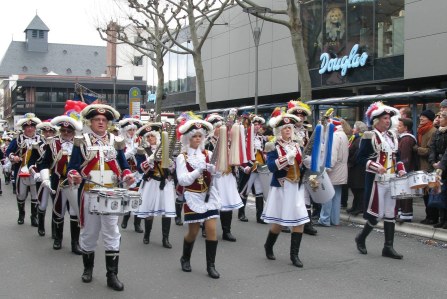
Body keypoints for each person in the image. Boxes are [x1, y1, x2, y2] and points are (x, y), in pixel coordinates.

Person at [67, 104, 135, 291]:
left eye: (104, 120)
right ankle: (87, 269)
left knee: (112, 232)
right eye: (97, 120)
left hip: (111, 194)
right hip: (89, 192)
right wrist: (74, 174)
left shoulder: (116, 140)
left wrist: (127, 175)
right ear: (90, 122)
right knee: (89, 233)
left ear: (108, 123)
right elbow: (72, 166)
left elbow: (123, 164)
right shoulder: (81, 141)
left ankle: (112, 275)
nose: (101, 122)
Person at [355, 102, 405, 259]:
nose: (388, 121)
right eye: (384, 118)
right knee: (376, 215)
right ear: (376, 120)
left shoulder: (391, 136)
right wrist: (377, 167)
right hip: (377, 180)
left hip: (392, 180)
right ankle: (361, 238)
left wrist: (401, 168)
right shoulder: (369, 135)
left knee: (390, 214)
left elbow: (396, 157)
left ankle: (388, 247)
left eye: (389, 118)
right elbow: (360, 158)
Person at [261, 108, 309, 267]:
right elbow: (270, 167)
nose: (288, 130)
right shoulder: (272, 146)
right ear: (279, 131)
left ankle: (294, 255)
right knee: (279, 223)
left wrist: (308, 166)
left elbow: (301, 166)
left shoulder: (298, 145)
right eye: (285, 128)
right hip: (282, 187)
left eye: (290, 128)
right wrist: (285, 159)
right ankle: (268, 245)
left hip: (296, 188)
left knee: (299, 220)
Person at [176, 114, 222, 279]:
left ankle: (211, 266)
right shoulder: (183, 157)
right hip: (193, 197)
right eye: (194, 136)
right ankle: (185, 257)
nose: (197, 138)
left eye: (199, 136)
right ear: (188, 138)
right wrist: (197, 171)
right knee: (193, 232)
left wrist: (214, 171)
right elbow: (182, 180)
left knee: (211, 229)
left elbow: (217, 177)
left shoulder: (208, 154)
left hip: (209, 196)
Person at [37, 113, 83, 254]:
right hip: (59, 181)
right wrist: (45, 178)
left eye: (69, 131)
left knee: (75, 213)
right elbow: (44, 163)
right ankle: (58, 238)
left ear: (74, 132)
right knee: (59, 211)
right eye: (63, 131)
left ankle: (75, 243)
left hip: (75, 182)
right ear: (59, 131)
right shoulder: (52, 143)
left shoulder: (80, 143)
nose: (66, 133)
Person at [135, 122, 175, 248]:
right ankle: (147, 235)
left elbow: (173, 167)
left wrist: (170, 164)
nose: (150, 138)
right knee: (149, 210)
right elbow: (140, 168)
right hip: (151, 182)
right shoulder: (142, 151)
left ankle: (166, 239)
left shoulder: (165, 148)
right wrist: (150, 161)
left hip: (165, 182)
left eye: (152, 136)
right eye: (148, 137)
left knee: (166, 210)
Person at [205, 113, 243, 242]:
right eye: (218, 127)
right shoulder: (208, 143)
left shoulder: (230, 142)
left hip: (227, 176)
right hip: (214, 177)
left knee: (227, 203)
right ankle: (207, 228)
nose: (220, 129)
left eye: (222, 127)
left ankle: (227, 231)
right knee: (212, 203)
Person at [287, 100, 318, 235]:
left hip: (305, 166)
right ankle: (285, 221)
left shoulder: (305, 131)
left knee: (306, 194)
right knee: (290, 195)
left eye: (302, 116)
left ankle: (307, 223)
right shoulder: (288, 130)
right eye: (297, 116)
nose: (300, 118)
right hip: (292, 167)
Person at [6, 113, 42, 226]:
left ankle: (34, 217)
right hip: (21, 171)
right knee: (21, 194)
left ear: (35, 128)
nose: (30, 128)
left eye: (32, 126)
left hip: (35, 172)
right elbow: (9, 152)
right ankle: (21, 215)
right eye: (27, 127)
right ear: (24, 128)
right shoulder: (18, 139)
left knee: (35, 195)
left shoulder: (41, 139)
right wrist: (14, 157)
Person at [317, 117, 348, 227]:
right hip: (342, 169)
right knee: (336, 196)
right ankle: (335, 219)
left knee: (327, 195)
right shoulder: (343, 135)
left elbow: (332, 155)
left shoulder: (334, 136)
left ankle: (325, 219)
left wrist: (327, 168)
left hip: (334, 170)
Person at [238, 114, 268, 224]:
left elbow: (262, 151)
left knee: (259, 191)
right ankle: (241, 213)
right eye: (255, 124)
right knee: (244, 190)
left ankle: (259, 216)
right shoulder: (245, 137)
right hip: (249, 166)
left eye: (258, 125)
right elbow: (241, 153)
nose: (257, 126)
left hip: (259, 167)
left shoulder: (261, 138)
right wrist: (243, 166)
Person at [119, 116, 144, 233]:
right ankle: (126, 218)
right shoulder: (120, 142)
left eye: (134, 130)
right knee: (128, 197)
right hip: (127, 173)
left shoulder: (139, 141)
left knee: (139, 197)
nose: (132, 132)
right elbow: (122, 157)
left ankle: (137, 223)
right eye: (130, 130)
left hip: (139, 173)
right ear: (125, 131)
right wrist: (133, 150)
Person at [414, 110, 437, 225]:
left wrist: (417, 149)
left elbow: (430, 150)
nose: (421, 118)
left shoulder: (433, 131)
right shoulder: (420, 130)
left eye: (424, 117)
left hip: (428, 167)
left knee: (430, 194)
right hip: (421, 166)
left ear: (429, 119)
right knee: (425, 194)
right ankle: (428, 216)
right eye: (421, 116)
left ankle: (432, 217)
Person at [396, 118, 417, 222]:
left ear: (405, 128)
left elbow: (405, 158)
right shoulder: (404, 138)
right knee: (403, 193)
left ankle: (406, 214)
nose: (397, 127)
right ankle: (403, 213)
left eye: (399, 125)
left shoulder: (406, 139)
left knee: (405, 193)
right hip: (406, 170)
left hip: (406, 171)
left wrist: (402, 171)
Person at [429, 111, 447, 229]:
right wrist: (433, 162)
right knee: (438, 191)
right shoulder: (437, 132)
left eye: (441, 117)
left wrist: (441, 165)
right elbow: (432, 148)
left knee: (445, 193)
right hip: (438, 165)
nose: (438, 119)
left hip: (444, 165)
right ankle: (442, 219)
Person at [347, 121, 368, 216]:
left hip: (358, 168)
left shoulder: (360, 139)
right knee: (355, 188)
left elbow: (357, 154)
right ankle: (355, 206)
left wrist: (350, 161)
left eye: (354, 128)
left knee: (359, 189)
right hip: (355, 167)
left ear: (359, 129)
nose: (352, 129)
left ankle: (360, 207)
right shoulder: (355, 138)